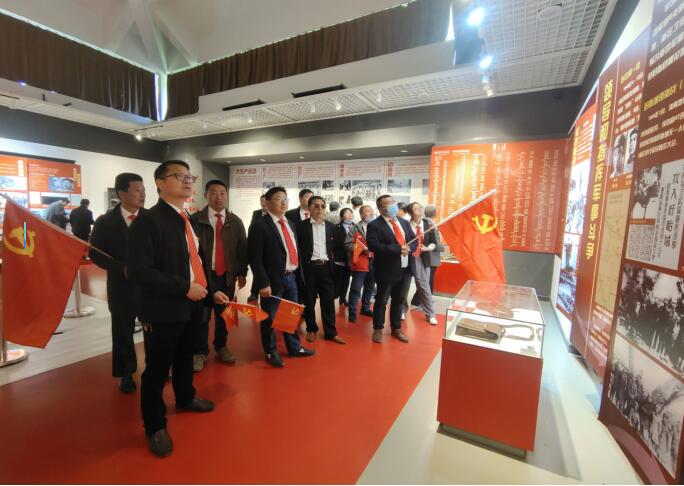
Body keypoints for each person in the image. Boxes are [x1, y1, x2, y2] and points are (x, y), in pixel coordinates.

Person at [128, 160, 229, 457]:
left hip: (192, 305)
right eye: (179, 176)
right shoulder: (148, 221)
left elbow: (196, 262)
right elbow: (139, 271)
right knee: (158, 370)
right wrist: (184, 287)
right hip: (163, 308)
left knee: (186, 357)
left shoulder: (187, 218)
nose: (187, 181)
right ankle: (155, 425)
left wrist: (211, 291)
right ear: (159, 183)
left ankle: (186, 398)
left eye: (189, 177)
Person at [89, 173, 146, 394]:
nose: (142, 194)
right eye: (137, 190)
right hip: (121, 286)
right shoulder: (105, 222)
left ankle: (156, 367)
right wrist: (119, 267)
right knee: (122, 331)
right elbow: (95, 253)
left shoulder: (151, 218)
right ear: (122, 193)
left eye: (143, 190)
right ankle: (126, 373)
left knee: (153, 329)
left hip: (150, 286)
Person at [247, 186, 315, 368]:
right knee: (269, 317)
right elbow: (254, 258)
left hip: (291, 277)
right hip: (271, 280)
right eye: (278, 198)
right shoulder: (260, 225)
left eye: (286, 199)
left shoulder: (290, 223)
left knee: (290, 315)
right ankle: (270, 351)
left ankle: (294, 347)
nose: (284, 202)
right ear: (267, 202)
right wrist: (262, 283)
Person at [191, 180, 248, 370]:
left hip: (227, 276)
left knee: (224, 315)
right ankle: (199, 351)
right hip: (203, 276)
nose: (218, 197)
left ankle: (221, 345)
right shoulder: (195, 220)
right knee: (202, 316)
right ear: (206, 195)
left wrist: (242, 272)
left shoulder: (235, 221)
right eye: (214, 193)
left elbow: (242, 249)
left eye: (222, 193)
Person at [366, 195, 416, 343]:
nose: (394, 205)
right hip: (386, 270)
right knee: (381, 301)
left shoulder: (403, 222)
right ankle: (378, 328)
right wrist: (398, 249)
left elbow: (413, 239)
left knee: (399, 300)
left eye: (394, 202)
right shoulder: (374, 225)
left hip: (405, 268)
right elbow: (374, 245)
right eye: (389, 204)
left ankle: (396, 328)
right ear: (381, 209)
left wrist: (410, 249)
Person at [296, 196, 345, 344]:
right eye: (316, 206)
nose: (320, 209)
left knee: (328, 302)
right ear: (309, 208)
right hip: (309, 268)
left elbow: (339, 247)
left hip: (326, 268)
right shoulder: (300, 227)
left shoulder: (332, 227)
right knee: (309, 300)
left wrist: (334, 262)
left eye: (322, 206)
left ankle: (331, 332)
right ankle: (311, 329)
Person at [406, 202, 439, 325]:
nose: (420, 210)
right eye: (416, 209)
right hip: (407, 257)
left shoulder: (428, 224)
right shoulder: (405, 224)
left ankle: (430, 314)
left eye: (420, 207)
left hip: (422, 258)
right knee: (403, 286)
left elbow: (434, 242)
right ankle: (402, 310)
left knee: (424, 285)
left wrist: (428, 248)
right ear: (410, 213)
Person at [344, 204, 375, 322]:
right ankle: (352, 312)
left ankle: (365, 308)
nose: (370, 213)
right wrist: (361, 249)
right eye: (367, 211)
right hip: (360, 263)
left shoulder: (377, 226)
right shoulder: (355, 228)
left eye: (371, 211)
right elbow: (348, 244)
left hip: (374, 262)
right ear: (361, 215)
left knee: (369, 288)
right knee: (356, 289)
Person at [334, 207, 354, 305]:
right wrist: (347, 242)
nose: (349, 215)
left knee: (347, 280)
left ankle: (343, 298)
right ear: (342, 216)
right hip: (340, 257)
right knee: (338, 279)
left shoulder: (356, 226)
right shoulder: (336, 227)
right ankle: (335, 296)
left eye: (351, 213)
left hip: (352, 258)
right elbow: (334, 242)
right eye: (347, 213)